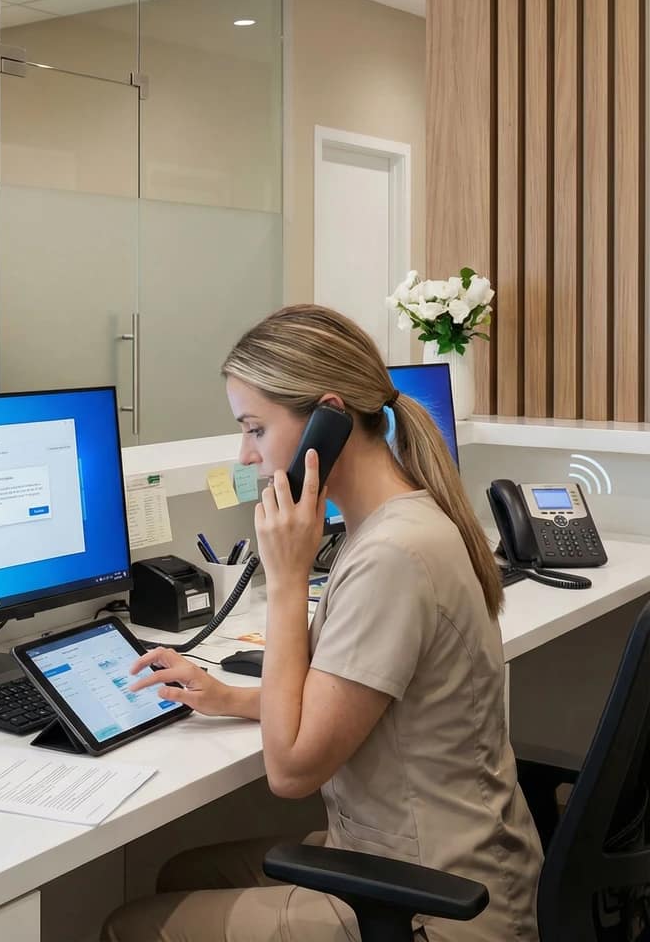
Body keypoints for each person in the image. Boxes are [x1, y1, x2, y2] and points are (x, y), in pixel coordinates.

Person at [104, 305, 541, 942]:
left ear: (328, 420)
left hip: (438, 905)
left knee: (130, 928)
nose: (244, 453)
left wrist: (285, 579)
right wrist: (230, 696)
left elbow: (291, 771)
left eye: (255, 428)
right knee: (182, 871)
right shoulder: (396, 522)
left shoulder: (392, 557)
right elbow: (349, 697)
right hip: (431, 855)